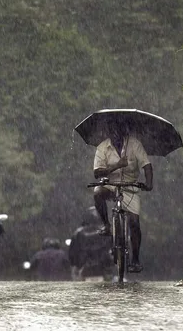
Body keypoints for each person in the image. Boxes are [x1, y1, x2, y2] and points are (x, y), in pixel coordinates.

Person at [92, 120, 153, 273]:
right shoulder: (102, 147)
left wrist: (149, 183)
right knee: (98, 193)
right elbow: (97, 173)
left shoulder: (135, 144)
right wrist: (117, 165)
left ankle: (135, 259)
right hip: (110, 184)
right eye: (113, 133)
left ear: (125, 133)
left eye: (119, 133)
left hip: (130, 187)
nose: (116, 136)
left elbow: (147, 165)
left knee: (134, 223)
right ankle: (106, 225)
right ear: (109, 134)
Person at [68, 207, 114, 281]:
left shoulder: (78, 233)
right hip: (104, 267)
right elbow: (113, 249)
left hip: (84, 267)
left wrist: (75, 265)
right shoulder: (107, 232)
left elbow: (72, 253)